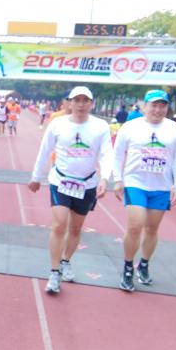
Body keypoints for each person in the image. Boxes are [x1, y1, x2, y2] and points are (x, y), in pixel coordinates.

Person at [29, 86, 113, 294]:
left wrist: (105, 178)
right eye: (77, 100)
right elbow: (44, 150)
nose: (81, 104)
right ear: (69, 102)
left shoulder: (101, 126)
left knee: (75, 228)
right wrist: (36, 177)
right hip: (61, 181)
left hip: (87, 184)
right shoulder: (58, 124)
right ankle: (54, 272)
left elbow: (106, 154)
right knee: (59, 225)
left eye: (85, 100)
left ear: (91, 103)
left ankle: (66, 261)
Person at [113, 89, 176, 292]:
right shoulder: (131, 126)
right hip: (135, 182)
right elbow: (117, 154)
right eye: (153, 105)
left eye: (162, 105)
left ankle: (143, 264)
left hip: (161, 186)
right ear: (144, 106)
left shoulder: (174, 129)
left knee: (152, 228)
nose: (158, 109)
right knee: (135, 226)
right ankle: (128, 267)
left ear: (167, 108)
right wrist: (118, 179)